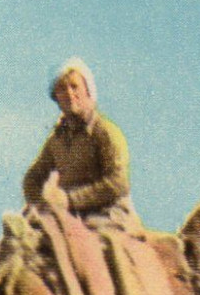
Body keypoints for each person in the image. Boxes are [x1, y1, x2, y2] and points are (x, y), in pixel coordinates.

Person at [23, 57, 143, 233]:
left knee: (97, 244)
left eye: (74, 86)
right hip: (71, 214)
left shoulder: (106, 133)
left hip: (108, 214)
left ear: (88, 90)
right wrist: (40, 203)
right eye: (62, 89)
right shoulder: (57, 139)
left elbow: (118, 182)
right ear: (56, 97)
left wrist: (70, 199)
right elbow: (33, 178)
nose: (69, 94)